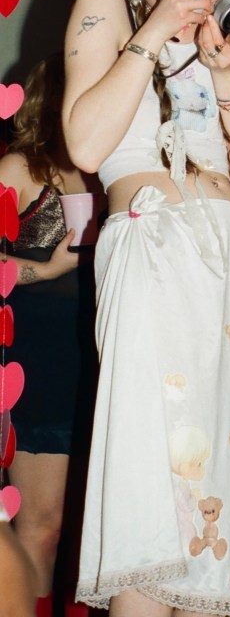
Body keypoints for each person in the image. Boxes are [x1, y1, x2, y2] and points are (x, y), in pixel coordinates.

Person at [61, 0, 230, 616]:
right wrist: (153, 30)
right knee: (156, 480)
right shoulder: (106, 6)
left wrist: (228, 73)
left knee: (222, 479)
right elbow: (86, 143)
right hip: (154, 253)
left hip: (225, 259)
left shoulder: (224, 16)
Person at [0, 54, 100, 617]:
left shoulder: (111, 168)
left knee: (88, 527)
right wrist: (52, 268)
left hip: (101, 350)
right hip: (37, 354)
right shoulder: (19, 167)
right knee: (41, 525)